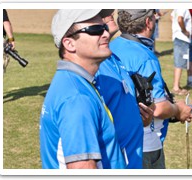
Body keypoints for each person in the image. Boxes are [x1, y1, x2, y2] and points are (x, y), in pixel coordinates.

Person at [39, 9, 126, 169]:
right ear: (69, 44)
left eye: (104, 27)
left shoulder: (74, 82)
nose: (106, 34)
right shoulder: (77, 97)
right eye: (95, 30)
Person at [110, 9, 192, 169]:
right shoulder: (145, 57)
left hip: (117, 141)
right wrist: (178, 110)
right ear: (148, 22)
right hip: (145, 144)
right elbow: (158, 108)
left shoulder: (110, 47)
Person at [94, 13, 153, 169]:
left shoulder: (112, 57)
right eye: (100, 15)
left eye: (108, 12)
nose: (109, 15)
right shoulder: (94, 67)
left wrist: (139, 118)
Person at [171, 9, 192, 95]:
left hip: (178, 38)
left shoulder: (177, 7)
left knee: (179, 62)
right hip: (182, 39)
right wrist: (184, 31)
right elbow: (180, 19)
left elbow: (172, 17)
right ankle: (176, 87)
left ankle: (177, 86)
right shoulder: (183, 6)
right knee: (180, 63)